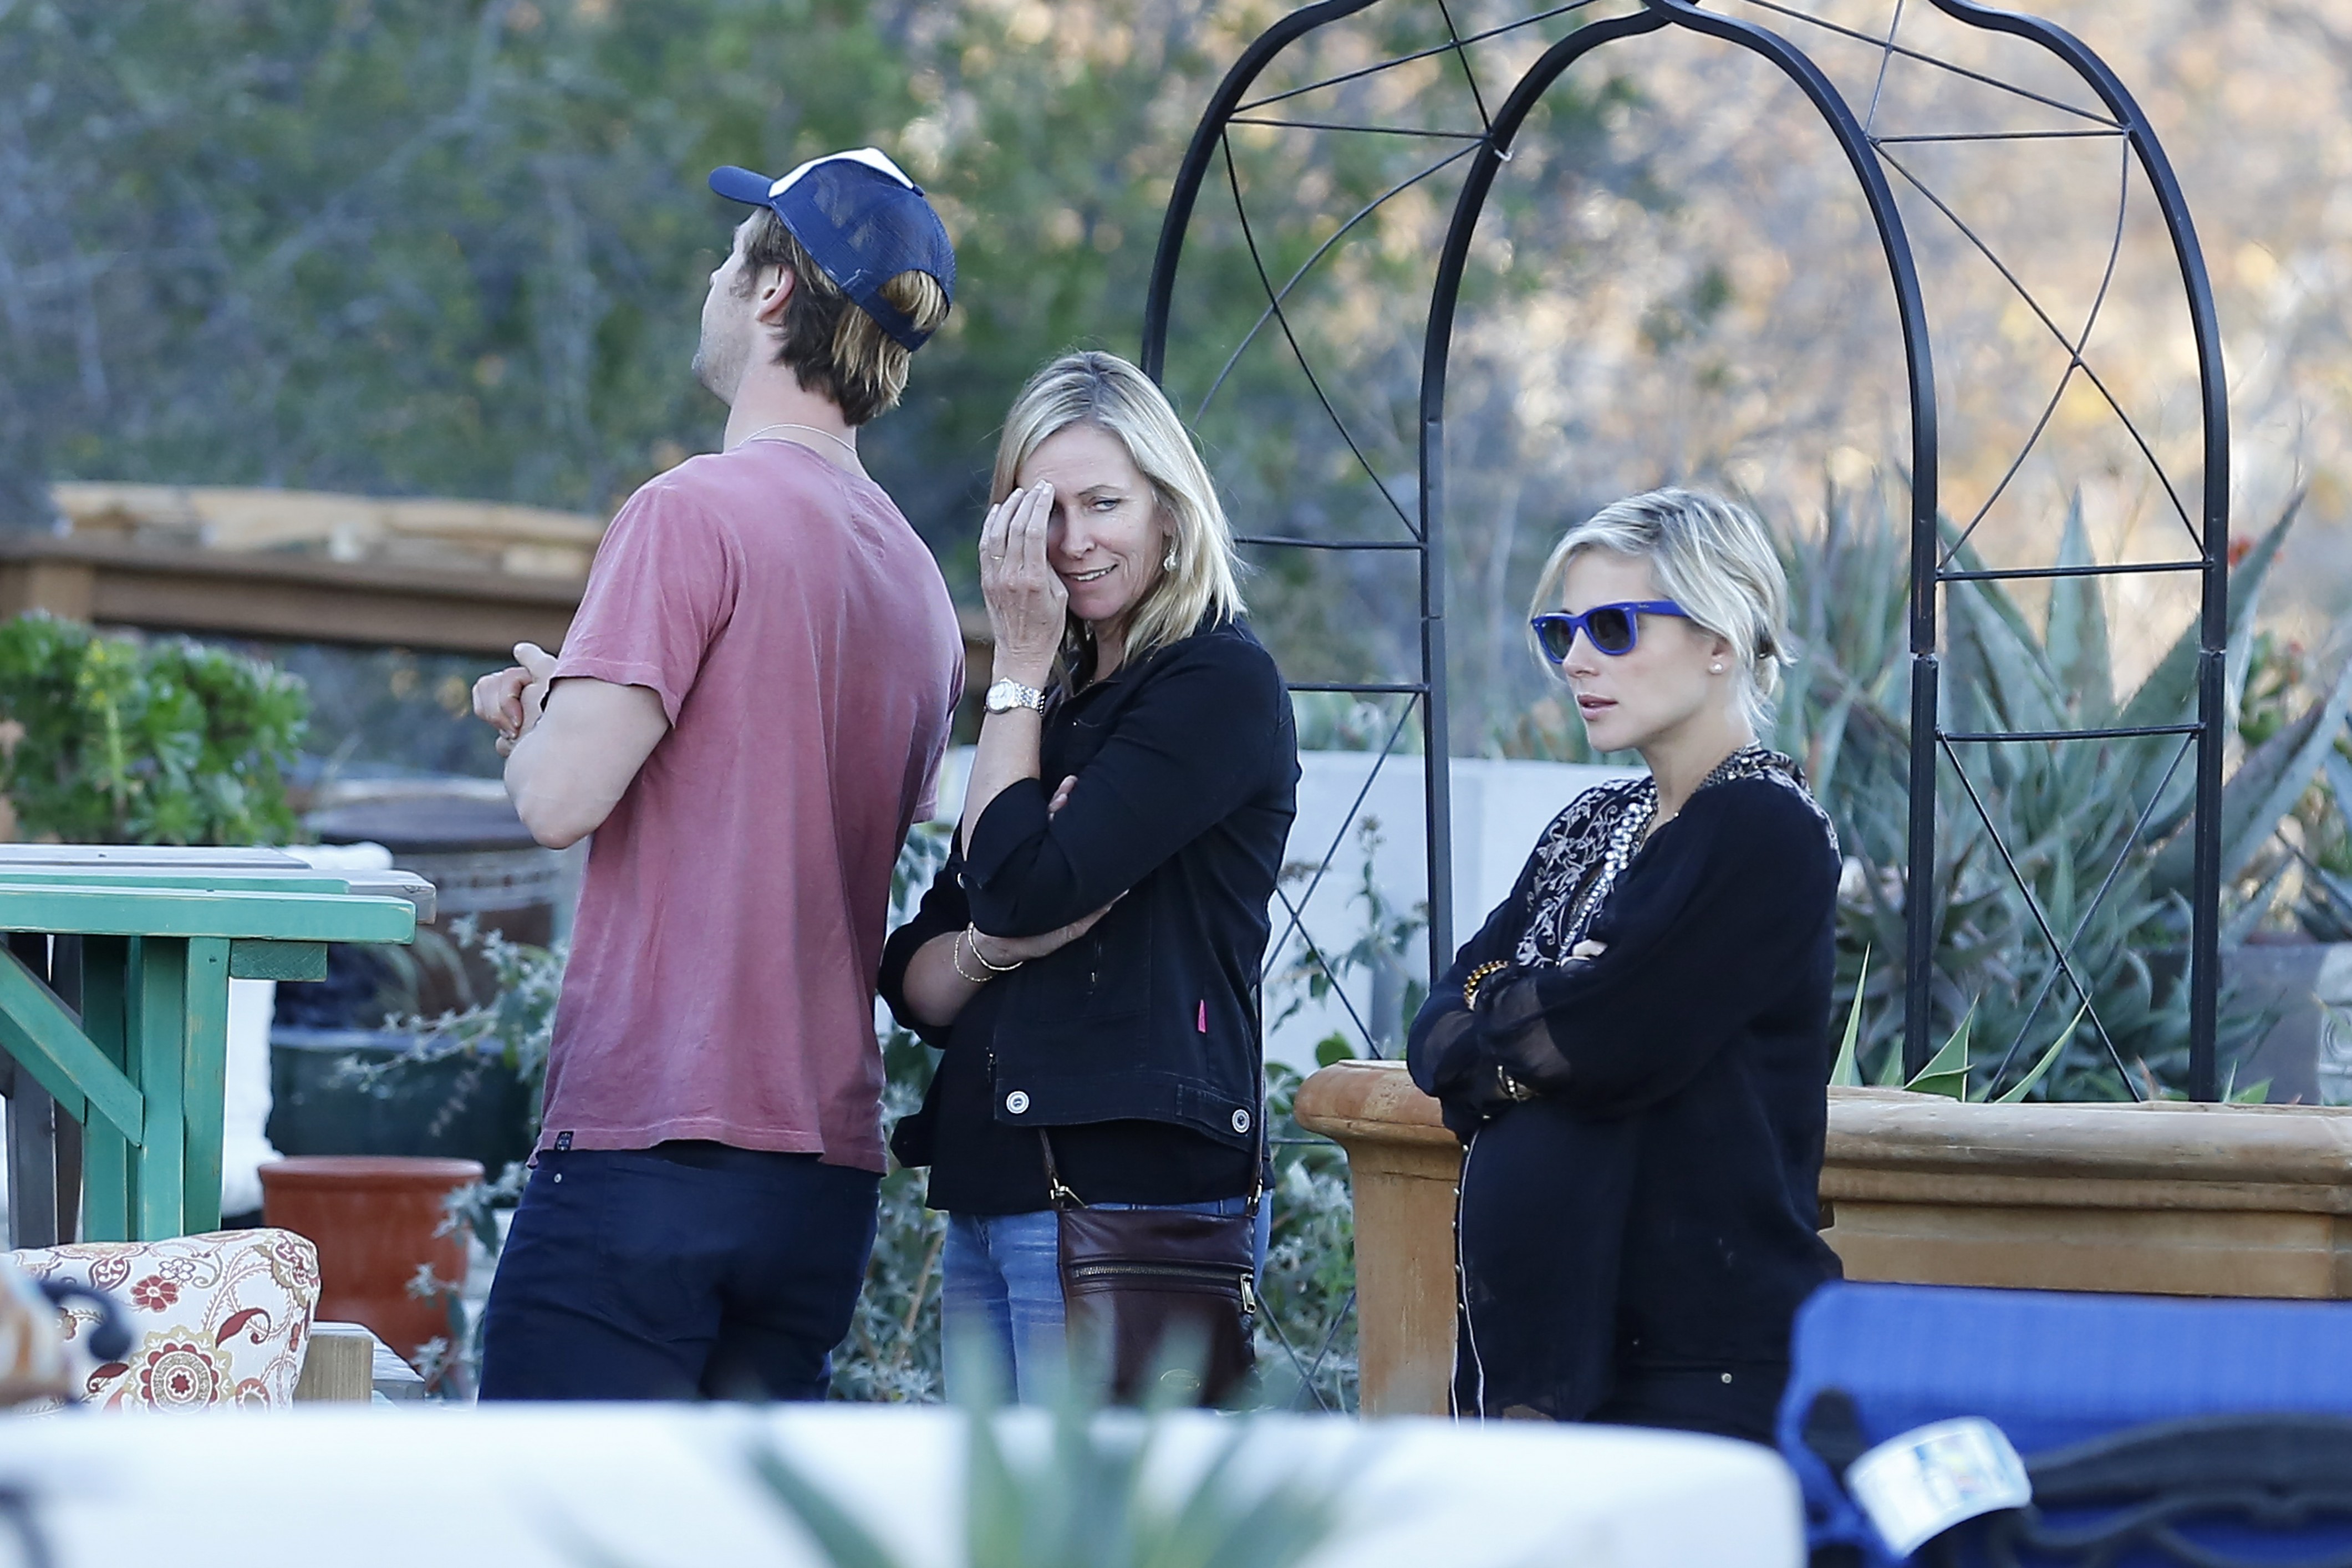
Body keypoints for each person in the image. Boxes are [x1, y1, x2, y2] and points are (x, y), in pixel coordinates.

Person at [468, 149, 964, 1401]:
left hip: (653, 1142)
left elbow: (557, 801)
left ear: (772, 291)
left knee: (539, 1500)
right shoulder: (919, 584)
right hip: (821, 1182)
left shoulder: (690, 512)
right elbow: (772, 780)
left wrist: (541, 724)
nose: (711, 274)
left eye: (733, 252)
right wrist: (588, 698)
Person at [876, 350, 1297, 1402]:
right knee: (999, 1505)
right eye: (1042, 511)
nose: (1071, 542)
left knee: (1101, 1505)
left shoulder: (1214, 680)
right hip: (993, 1190)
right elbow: (917, 975)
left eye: (1103, 503)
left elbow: (1014, 885)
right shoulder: (1053, 710)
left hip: (1127, 1199)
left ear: (1169, 509)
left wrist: (1016, 672)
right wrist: (992, 946)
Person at [1406, 486, 1842, 1443]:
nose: (1576, 660)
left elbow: (1600, 1042)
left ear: (1719, 639)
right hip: (1541, 1359)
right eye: (1561, 630)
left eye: (1611, 627)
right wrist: (1536, 1007)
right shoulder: (1591, 823)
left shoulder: (1762, 829)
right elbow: (1435, 1034)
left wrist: (1529, 1012)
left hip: (1699, 1362)